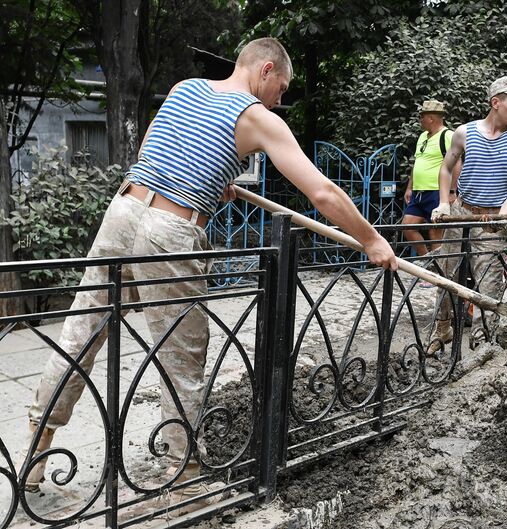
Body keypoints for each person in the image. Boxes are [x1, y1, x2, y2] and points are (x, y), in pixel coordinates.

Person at [19, 37, 397, 507]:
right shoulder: (257, 117)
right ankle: (186, 477)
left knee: (81, 334)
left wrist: (215, 182)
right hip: (169, 233)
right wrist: (372, 239)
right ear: (265, 69)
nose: (280, 98)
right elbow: (322, 193)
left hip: (124, 209)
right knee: (182, 357)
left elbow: (157, 152)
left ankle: (34, 458)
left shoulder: (185, 88)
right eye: (281, 86)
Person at [428, 74, 507, 354]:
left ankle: (481, 343)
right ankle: (443, 329)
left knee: (489, 284)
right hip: (461, 212)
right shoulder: (464, 133)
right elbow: (445, 167)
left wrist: (502, 217)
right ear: (495, 102)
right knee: (446, 273)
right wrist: (443, 203)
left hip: (493, 219)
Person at [402, 100, 455, 259]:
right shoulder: (422, 137)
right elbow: (417, 161)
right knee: (407, 227)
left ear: (431, 118)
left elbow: (457, 163)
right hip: (419, 192)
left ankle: (438, 272)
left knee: (435, 231)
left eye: (421, 116)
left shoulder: (448, 136)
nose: (420, 120)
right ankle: (427, 262)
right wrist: (410, 187)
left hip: (437, 191)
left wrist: (452, 191)